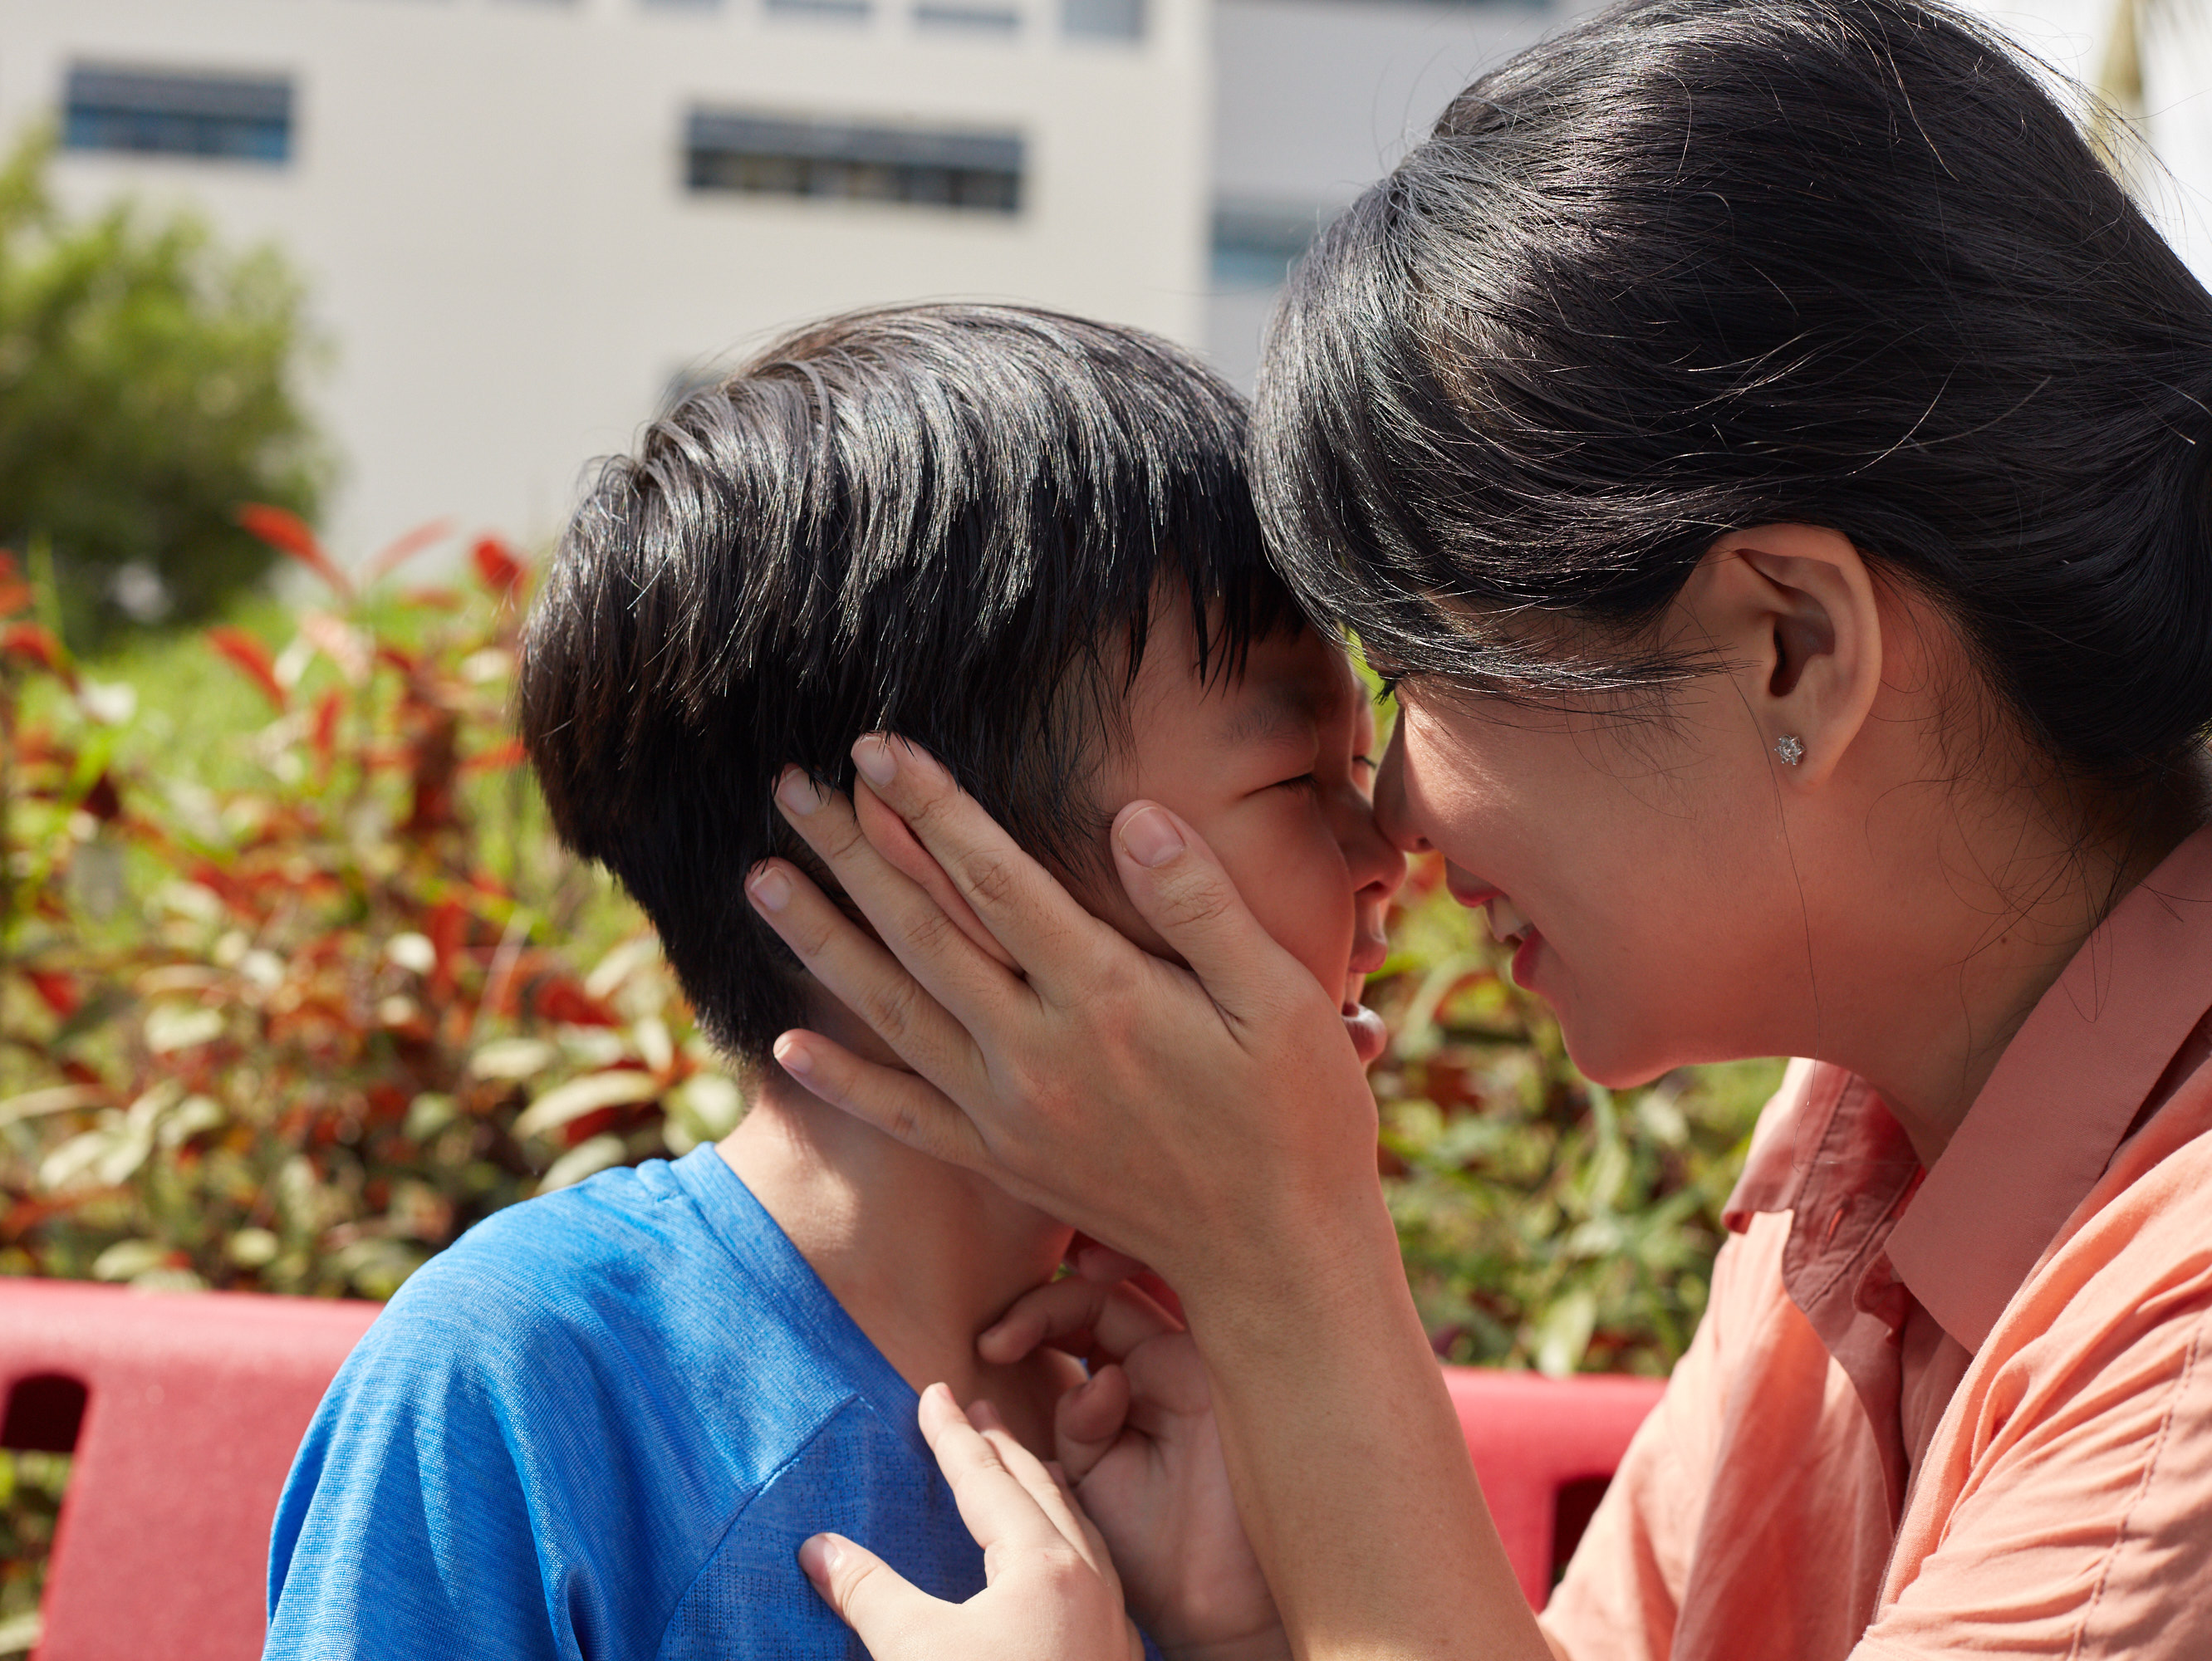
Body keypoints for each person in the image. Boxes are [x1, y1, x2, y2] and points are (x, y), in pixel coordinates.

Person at [738, 2, 2212, 1656]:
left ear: (1794, 643)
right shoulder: (1865, 1130)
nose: (1396, 815)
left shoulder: (2183, 1358)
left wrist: (1283, 1248)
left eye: (1419, 670)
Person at [259, 303, 1395, 1659]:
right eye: (1298, 782)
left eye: (1365, 779)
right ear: (924, 866)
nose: (1391, 856)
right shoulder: (534, 1385)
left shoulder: (1213, 1393)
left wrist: (1234, 1636)